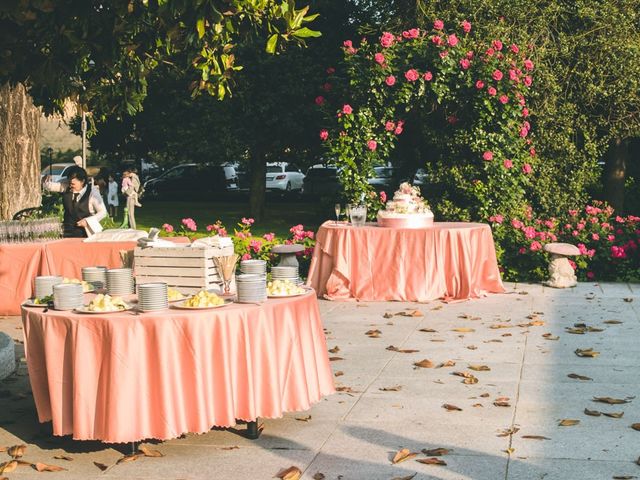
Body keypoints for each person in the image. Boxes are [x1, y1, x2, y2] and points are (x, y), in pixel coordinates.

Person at [43, 165, 107, 238]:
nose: (71, 186)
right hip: (67, 232)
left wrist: (88, 221)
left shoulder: (92, 192)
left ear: (82, 181)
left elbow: (103, 212)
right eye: (69, 183)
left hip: (86, 233)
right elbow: (49, 186)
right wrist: (45, 180)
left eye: (73, 184)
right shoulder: (66, 187)